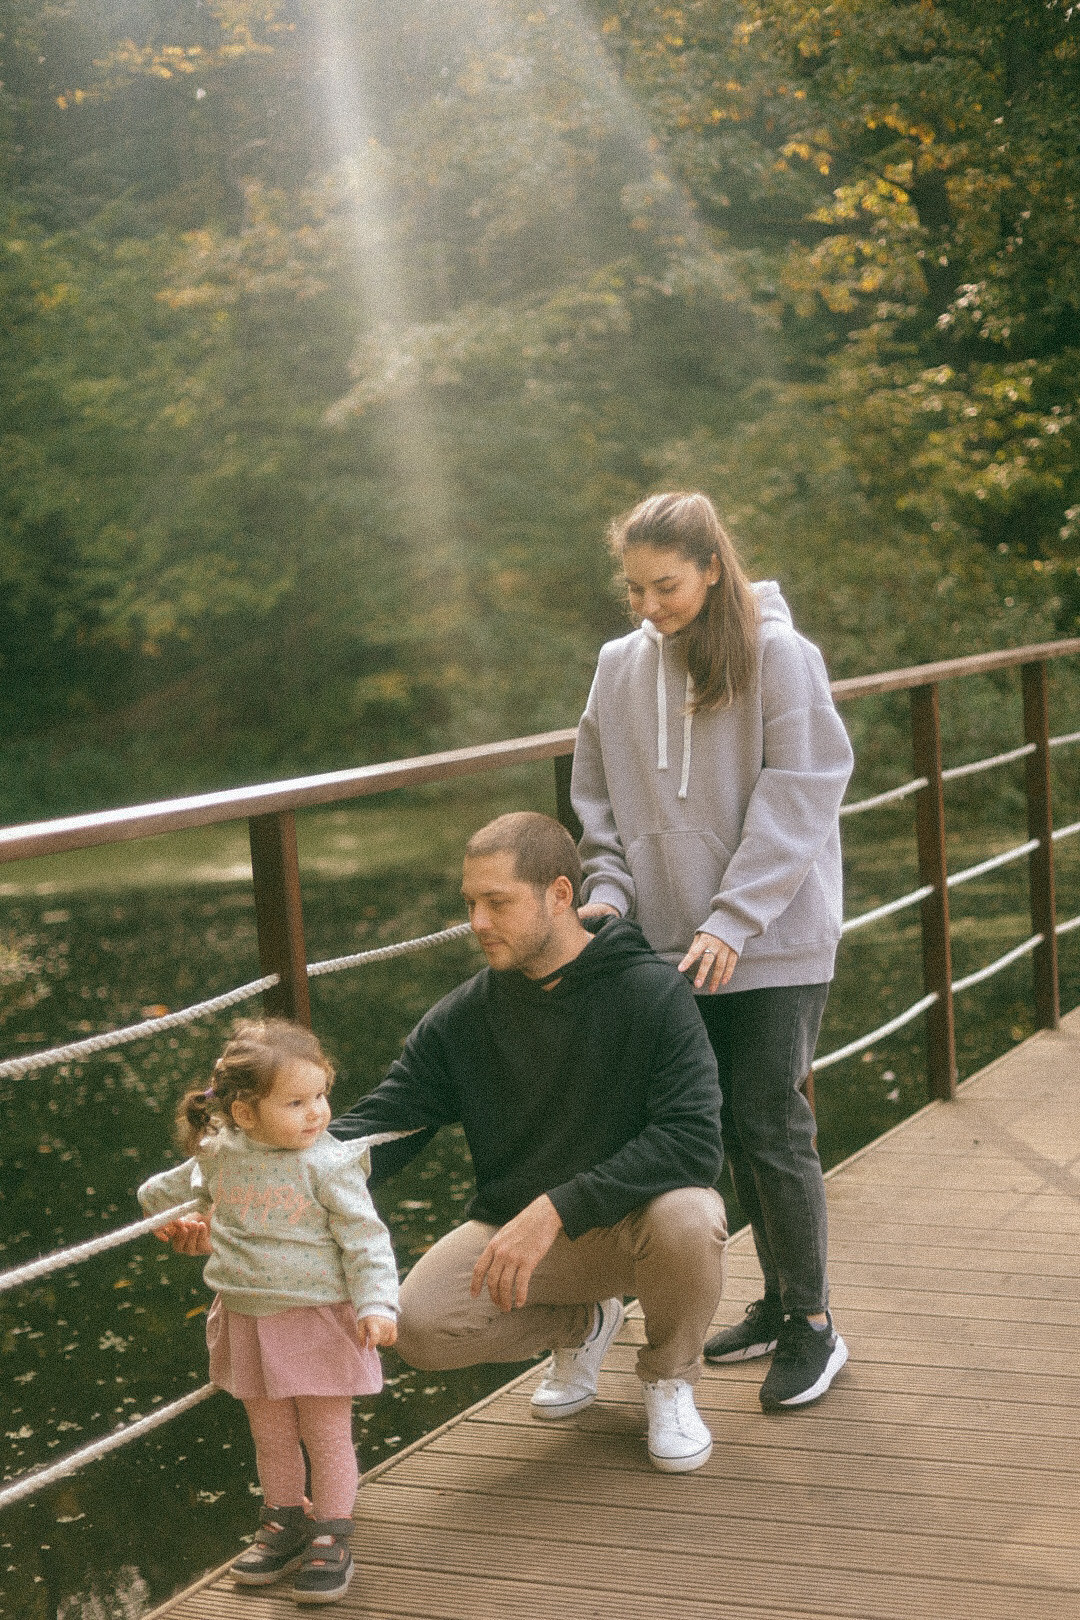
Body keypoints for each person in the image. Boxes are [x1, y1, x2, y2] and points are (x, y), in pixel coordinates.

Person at [330, 811, 727, 1473]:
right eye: (471, 904)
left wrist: (556, 1207)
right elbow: (382, 1125)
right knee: (419, 1327)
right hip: (527, 1237)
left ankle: (668, 1377)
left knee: (692, 1215)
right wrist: (260, 1170)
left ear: (561, 896)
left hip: (635, 1227)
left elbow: (691, 1143)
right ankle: (585, 1325)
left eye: (498, 903)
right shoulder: (464, 1018)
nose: (477, 923)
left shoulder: (652, 993)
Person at [571, 490, 854, 1411]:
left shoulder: (779, 655)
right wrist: (607, 892)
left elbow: (803, 790)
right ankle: (771, 1307)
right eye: (635, 590)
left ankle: (813, 1324)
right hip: (663, 940)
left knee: (770, 1119)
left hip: (768, 936)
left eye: (667, 587)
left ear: (711, 569)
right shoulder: (619, 668)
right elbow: (597, 797)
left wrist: (733, 918)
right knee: (713, 1126)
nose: (650, 607)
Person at [137, 1019, 399, 1604]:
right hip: (249, 1318)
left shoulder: (328, 1165)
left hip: (320, 1317)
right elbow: (158, 1194)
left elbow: (366, 1240)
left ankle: (333, 1531)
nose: (317, 1114)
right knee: (271, 1431)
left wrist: (378, 1302)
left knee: (326, 1430)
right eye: (297, 1102)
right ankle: (285, 1519)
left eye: (321, 1097)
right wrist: (174, 1223)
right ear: (245, 1113)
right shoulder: (221, 1156)